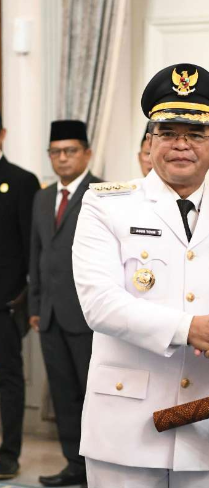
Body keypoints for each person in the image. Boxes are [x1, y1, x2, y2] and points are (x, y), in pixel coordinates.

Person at [71, 63, 209, 488]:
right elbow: (100, 305)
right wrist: (189, 329)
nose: (181, 144)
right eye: (167, 132)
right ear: (150, 142)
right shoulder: (106, 205)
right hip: (124, 429)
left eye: (196, 134)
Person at [29, 120, 101, 487]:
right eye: (55, 152)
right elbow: (37, 254)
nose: (62, 158)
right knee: (63, 394)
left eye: (70, 150)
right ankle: (74, 464)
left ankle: (99, 467)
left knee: (94, 395)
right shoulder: (43, 197)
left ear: (87, 153)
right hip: (50, 315)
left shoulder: (103, 193)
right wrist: (35, 306)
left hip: (89, 315)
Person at [0, 115, 40, 480]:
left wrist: (25, 300)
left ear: (2, 134)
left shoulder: (21, 181)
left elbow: (32, 249)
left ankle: (8, 454)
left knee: (9, 381)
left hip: (5, 304)